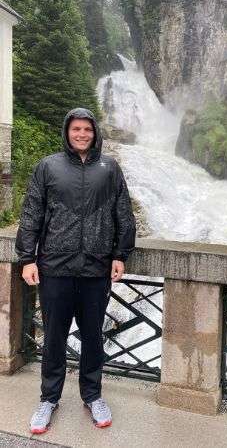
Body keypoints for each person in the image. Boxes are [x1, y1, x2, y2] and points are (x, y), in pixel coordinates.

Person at [15, 108, 136, 434]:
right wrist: (27, 258)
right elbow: (32, 214)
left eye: (87, 129)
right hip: (55, 267)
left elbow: (122, 212)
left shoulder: (109, 168)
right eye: (76, 129)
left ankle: (93, 395)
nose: (82, 134)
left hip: (96, 268)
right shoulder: (48, 167)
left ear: (95, 132)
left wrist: (120, 254)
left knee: (93, 336)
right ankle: (48, 399)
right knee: (54, 336)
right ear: (67, 132)